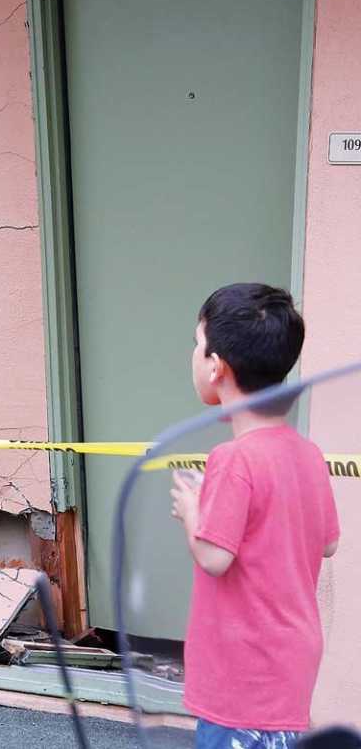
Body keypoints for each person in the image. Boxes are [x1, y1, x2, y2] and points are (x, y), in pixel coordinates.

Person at [170, 283, 340, 749]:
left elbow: (214, 557)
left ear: (215, 365)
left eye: (196, 343)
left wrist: (192, 511)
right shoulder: (307, 454)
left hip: (242, 673)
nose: (193, 356)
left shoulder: (234, 459)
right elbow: (327, 542)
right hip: (290, 664)